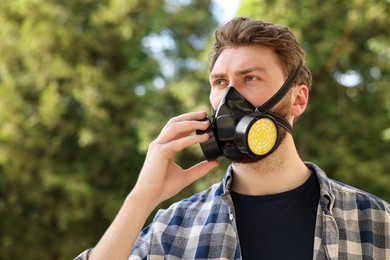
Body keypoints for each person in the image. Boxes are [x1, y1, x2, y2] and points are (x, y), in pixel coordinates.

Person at [76, 17, 390, 260]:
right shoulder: (174, 229)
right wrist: (142, 198)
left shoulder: (375, 221)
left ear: (298, 100)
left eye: (250, 78)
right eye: (220, 82)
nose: (230, 96)